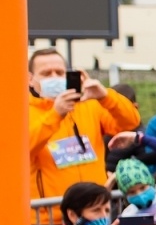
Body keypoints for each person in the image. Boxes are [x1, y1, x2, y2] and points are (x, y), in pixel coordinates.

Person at [28, 49, 142, 208]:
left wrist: (105, 96)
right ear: (30, 79)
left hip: (95, 211)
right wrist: (56, 114)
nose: (54, 77)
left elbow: (131, 121)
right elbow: (24, 149)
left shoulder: (89, 104)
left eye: (59, 72)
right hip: (49, 216)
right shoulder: (24, 111)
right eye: (46, 74)